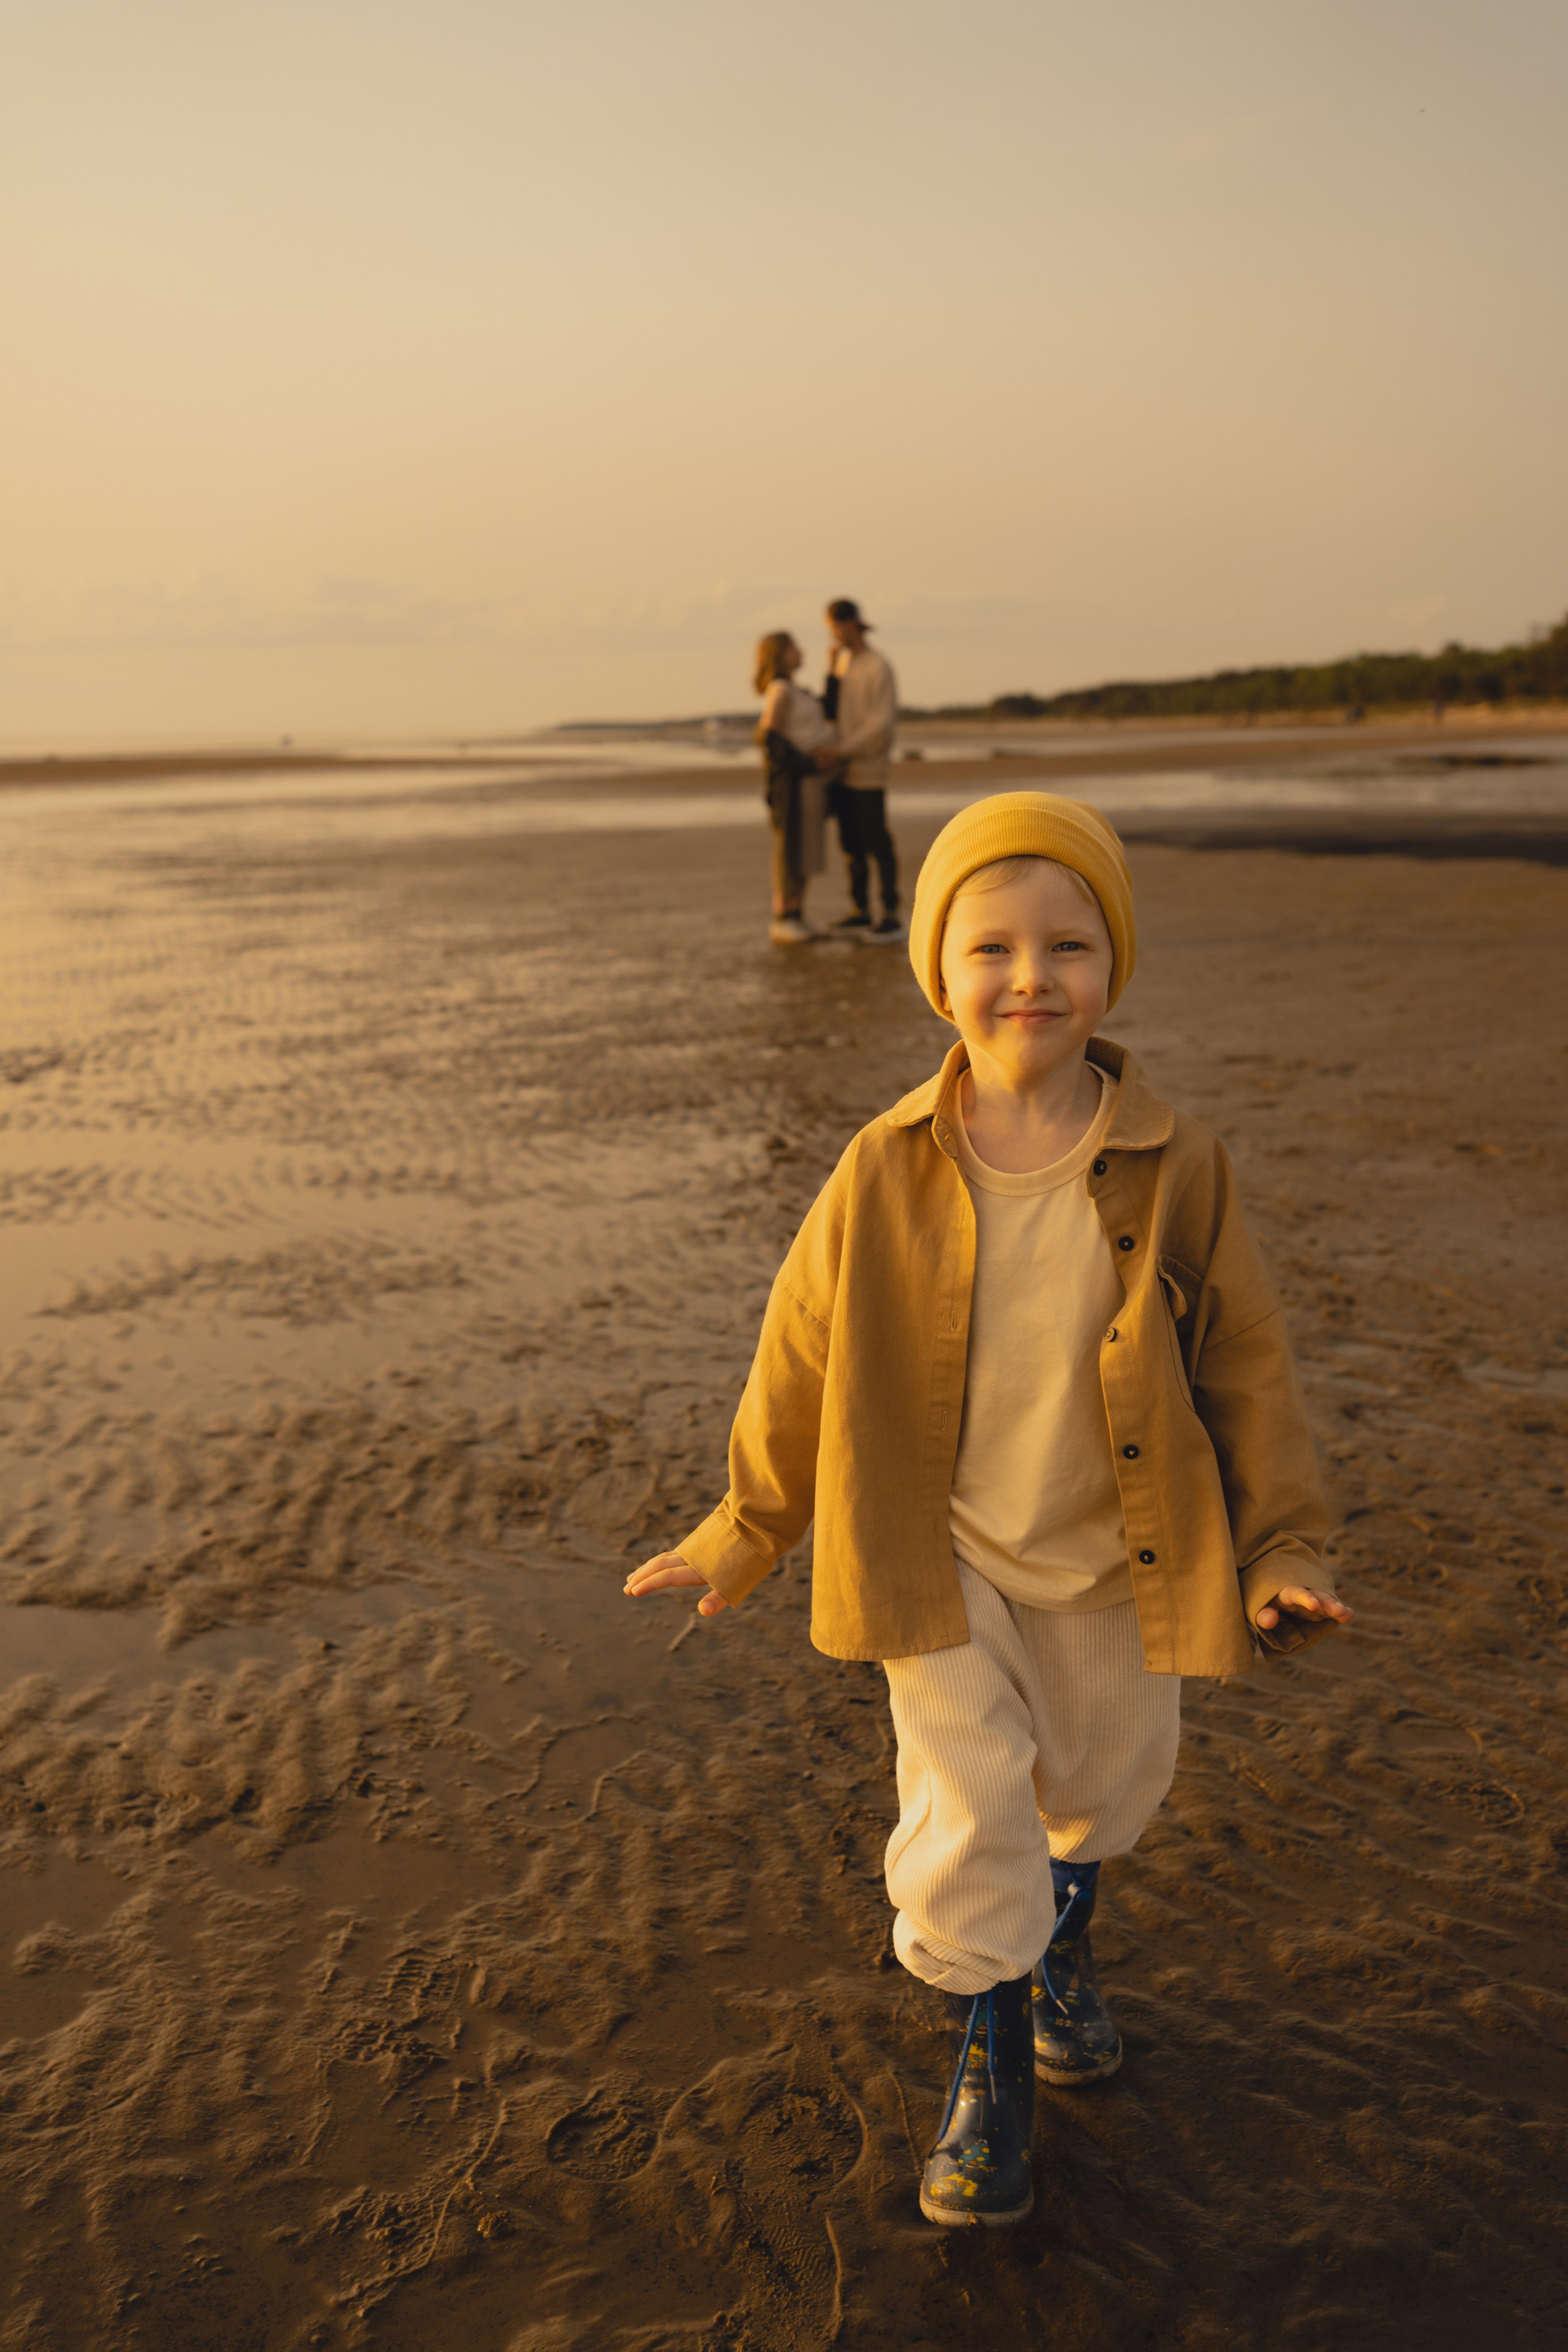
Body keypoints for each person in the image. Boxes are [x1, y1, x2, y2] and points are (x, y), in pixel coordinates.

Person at [625, 791, 1352, 2228]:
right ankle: (989, 2060)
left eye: (1066, 944)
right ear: (938, 969)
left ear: (1111, 964)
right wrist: (746, 1524)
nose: (1030, 977)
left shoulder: (1171, 1159)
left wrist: (1280, 1545)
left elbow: (1244, 1363)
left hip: (1116, 1562)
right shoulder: (884, 1163)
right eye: (992, 947)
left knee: (1094, 1790)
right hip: (938, 1558)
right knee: (968, 1817)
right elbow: (799, 1352)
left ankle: (1060, 1947)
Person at [818, 598, 901, 941]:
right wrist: (830, 669)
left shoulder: (878, 667)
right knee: (850, 842)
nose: (835, 634)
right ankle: (860, 910)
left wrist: (844, 750)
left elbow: (881, 725)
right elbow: (831, 712)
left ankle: (891, 913)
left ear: (854, 623)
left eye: (838, 627)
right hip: (841, 771)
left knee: (875, 839)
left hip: (868, 769)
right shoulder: (842, 663)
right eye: (830, 629)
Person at [754, 630, 834, 944]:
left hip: (812, 783)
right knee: (790, 848)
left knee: (807, 848)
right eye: (793, 648)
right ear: (780, 654)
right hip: (793, 784)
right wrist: (810, 764)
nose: (801, 652)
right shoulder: (780, 691)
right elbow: (768, 740)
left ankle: (797, 913)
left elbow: (828, 709)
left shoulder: (796, 690)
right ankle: (784, 917)